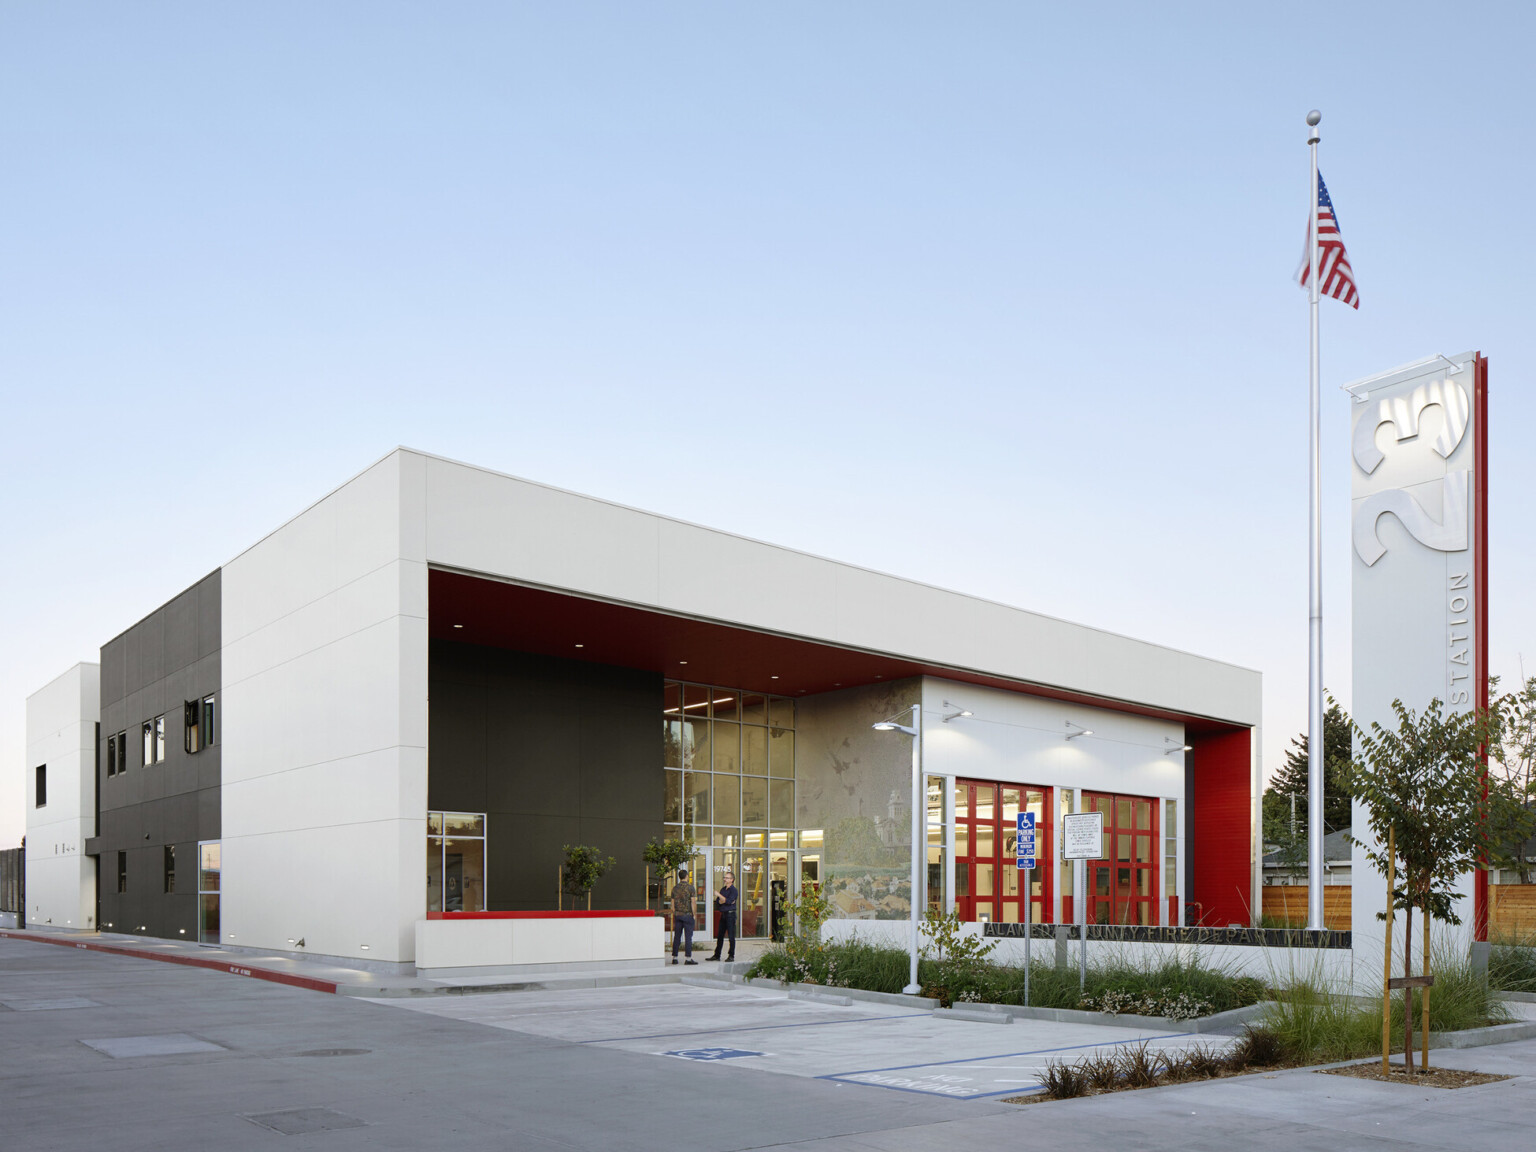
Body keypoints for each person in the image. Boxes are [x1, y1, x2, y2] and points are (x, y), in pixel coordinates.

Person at [669, 866, 697, 965]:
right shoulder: (690, 887)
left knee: (677, 936)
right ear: (686, 876)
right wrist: (694, 914)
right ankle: (688, 958)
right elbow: (693, 902)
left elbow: (672, 902)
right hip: (687, 915)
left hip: (678, 915)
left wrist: (674, 912)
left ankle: (674, 957)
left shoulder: (675, 888)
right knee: (688, 937)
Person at [708, 870, 738, 962]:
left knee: (731, 936)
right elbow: (718, 902)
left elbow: (729, 901)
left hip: (730, 915)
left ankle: (731, 955)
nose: (725, 879)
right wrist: (723, 899)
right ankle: (717, 955)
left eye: (727, 878)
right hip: (723, 915)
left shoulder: (734, 890)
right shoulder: (723, 889)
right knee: (720, 936)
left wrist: (719, 895)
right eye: (724, 877)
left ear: (732, 880)